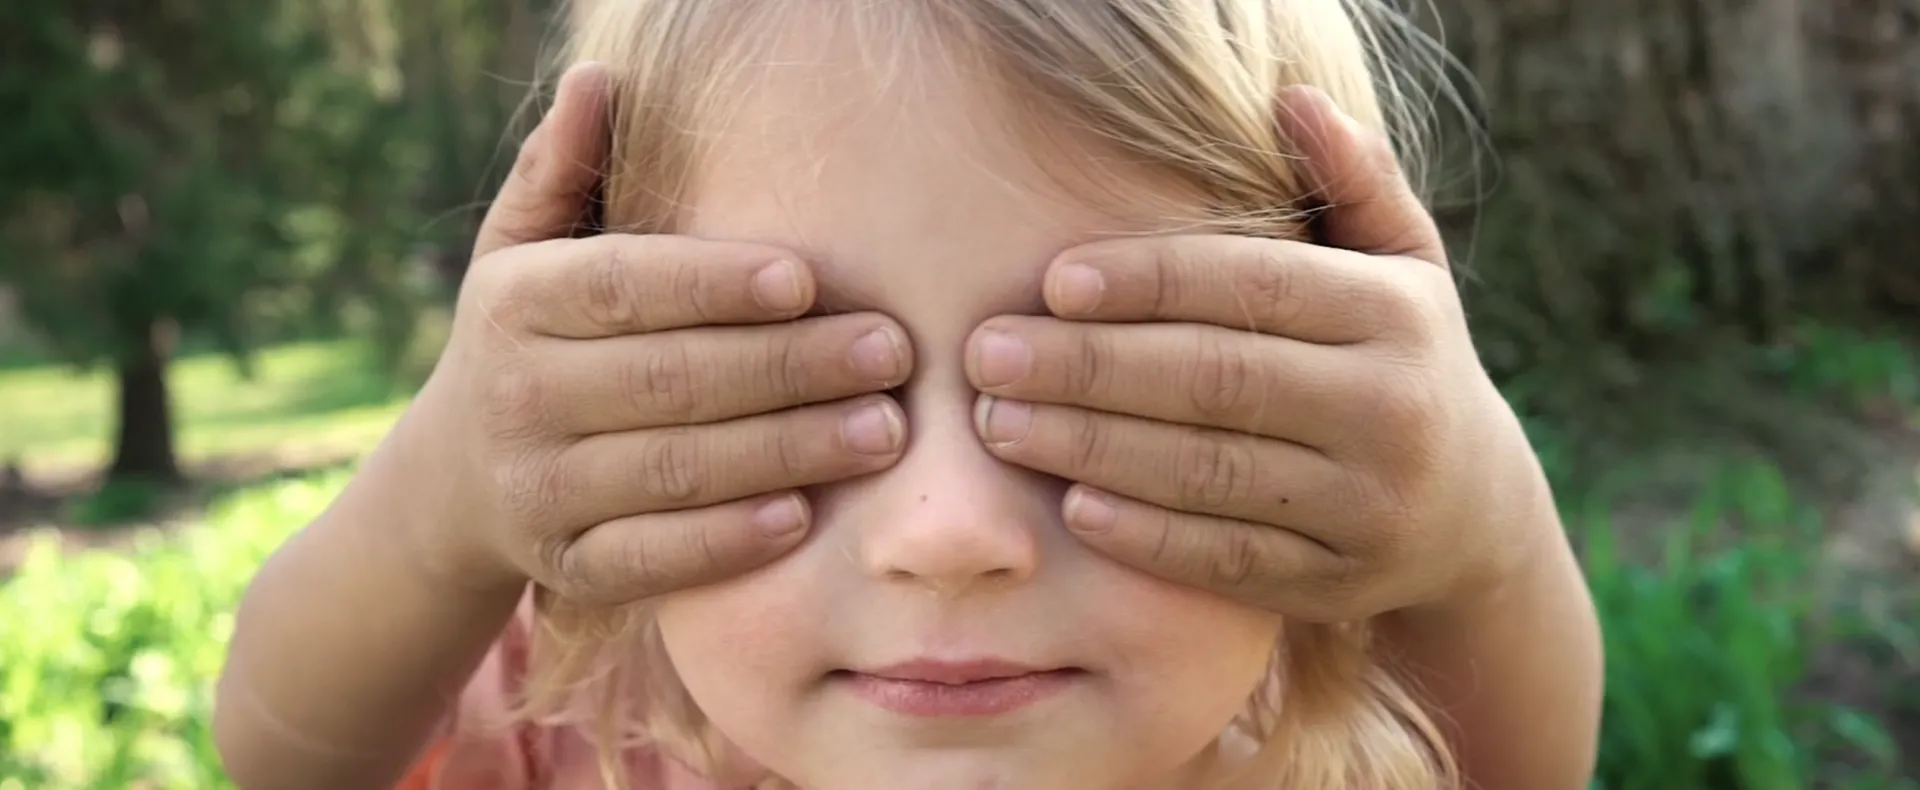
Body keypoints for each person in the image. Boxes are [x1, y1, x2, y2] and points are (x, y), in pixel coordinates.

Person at [213, 1, 1603, 789]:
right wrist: (436, 511)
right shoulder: (584, 697)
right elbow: (287, 763)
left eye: (1105, 403)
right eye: (792, 388)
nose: (948, 532)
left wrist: (1482, 538)